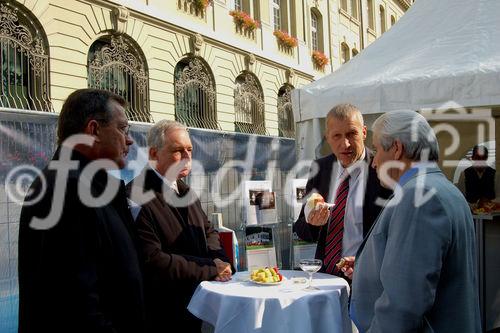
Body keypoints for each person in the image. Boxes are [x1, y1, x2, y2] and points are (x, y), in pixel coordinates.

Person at [18, 89, 146, 333]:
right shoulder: (67, 188)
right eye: (123, 129)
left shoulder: (91, 186)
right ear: (94, 130)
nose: (129, 140)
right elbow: (77, 307)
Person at [348, 110, 481, 332]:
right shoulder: (443, 189)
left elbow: (403, 305)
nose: (374, 161)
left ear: (397, 149)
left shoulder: (418, 197)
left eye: (377, 149)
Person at [127, 120, 233, 333]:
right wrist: (211, 268)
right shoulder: (136, 196)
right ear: (154, 154)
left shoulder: (185, 191)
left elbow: (208, 230)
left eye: (189, 149)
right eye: (178, 150)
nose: (187, 156)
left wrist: (220, 260)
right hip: (163, 317)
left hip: (195, 309)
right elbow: (154, 260)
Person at [293, 103, 390, 276]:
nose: (345, 144)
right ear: (327, 137)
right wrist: (312, 223)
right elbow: (301, 230)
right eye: (336, 136)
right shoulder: (320, 168)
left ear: (364, 133)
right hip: (325, 277)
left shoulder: (381, 169)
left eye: (352, 134)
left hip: (368, 278)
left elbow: (392, 234)